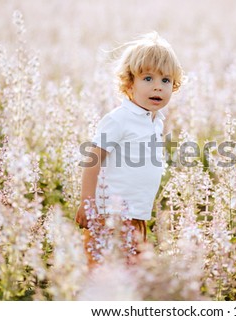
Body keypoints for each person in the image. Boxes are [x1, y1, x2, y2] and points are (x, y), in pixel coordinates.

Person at [75, 31, 183, 268]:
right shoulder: (119, 119)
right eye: (148, 79)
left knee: (131, 278)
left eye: (165, 80)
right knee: (103, 275)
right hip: (107, 217)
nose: (157, 87)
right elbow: (92, 161)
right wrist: (87, 203)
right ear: (129, 83)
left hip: (137, 216)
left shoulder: (155, 120)